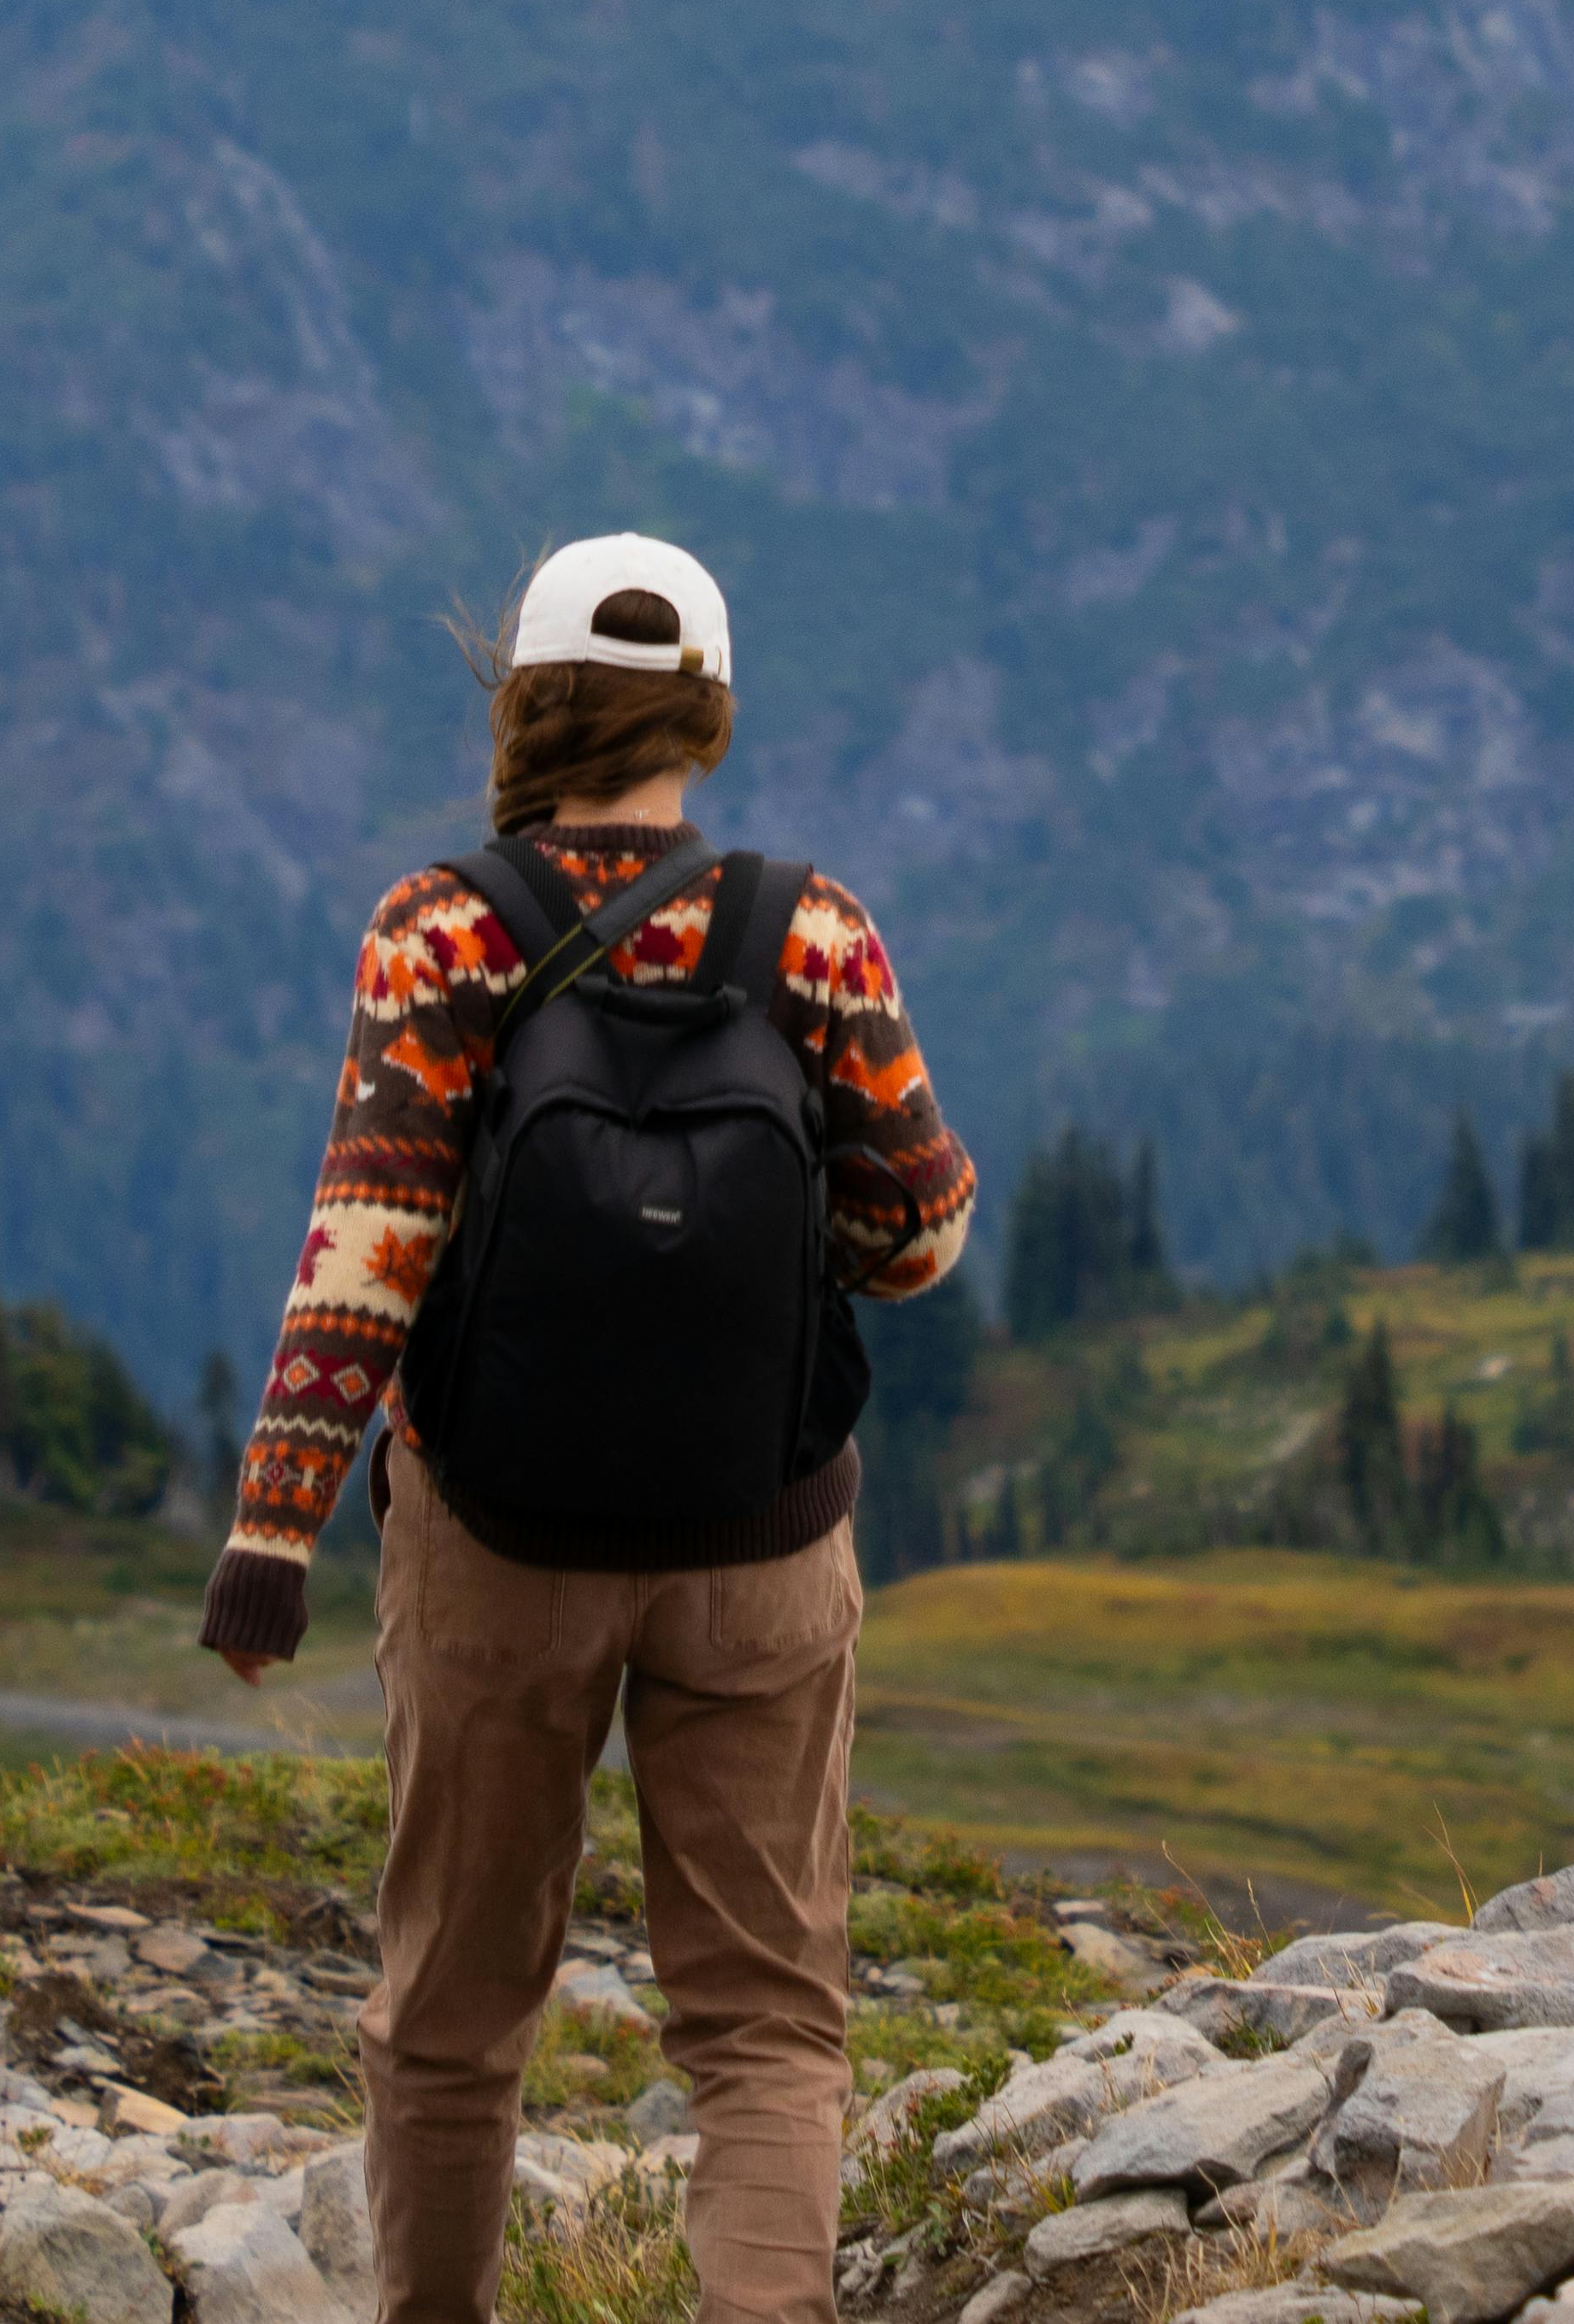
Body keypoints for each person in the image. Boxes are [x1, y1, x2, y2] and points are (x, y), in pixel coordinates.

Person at [196, 531, 976, 2324]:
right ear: (703, 710)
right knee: (767, 2027)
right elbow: (920, 1232)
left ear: (525, 705)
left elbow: (367, 1252)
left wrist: (270, 1538)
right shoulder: (812, 929)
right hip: (759, 1547)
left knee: (452, 2015)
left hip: (497, 1543)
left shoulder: (442, 924)